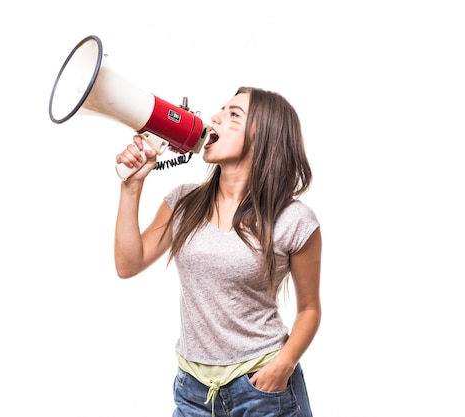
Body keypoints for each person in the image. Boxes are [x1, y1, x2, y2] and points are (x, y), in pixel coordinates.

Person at [114, 86, 322, 417]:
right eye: (221, 109)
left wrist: (283, 365)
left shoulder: (293, 220)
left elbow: (309, 309)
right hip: (193, 392)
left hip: (263, 388)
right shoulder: (183, 202)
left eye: (233, 114)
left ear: (264, 137)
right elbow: (128, 263)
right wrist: (131, 186)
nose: (215, 117)